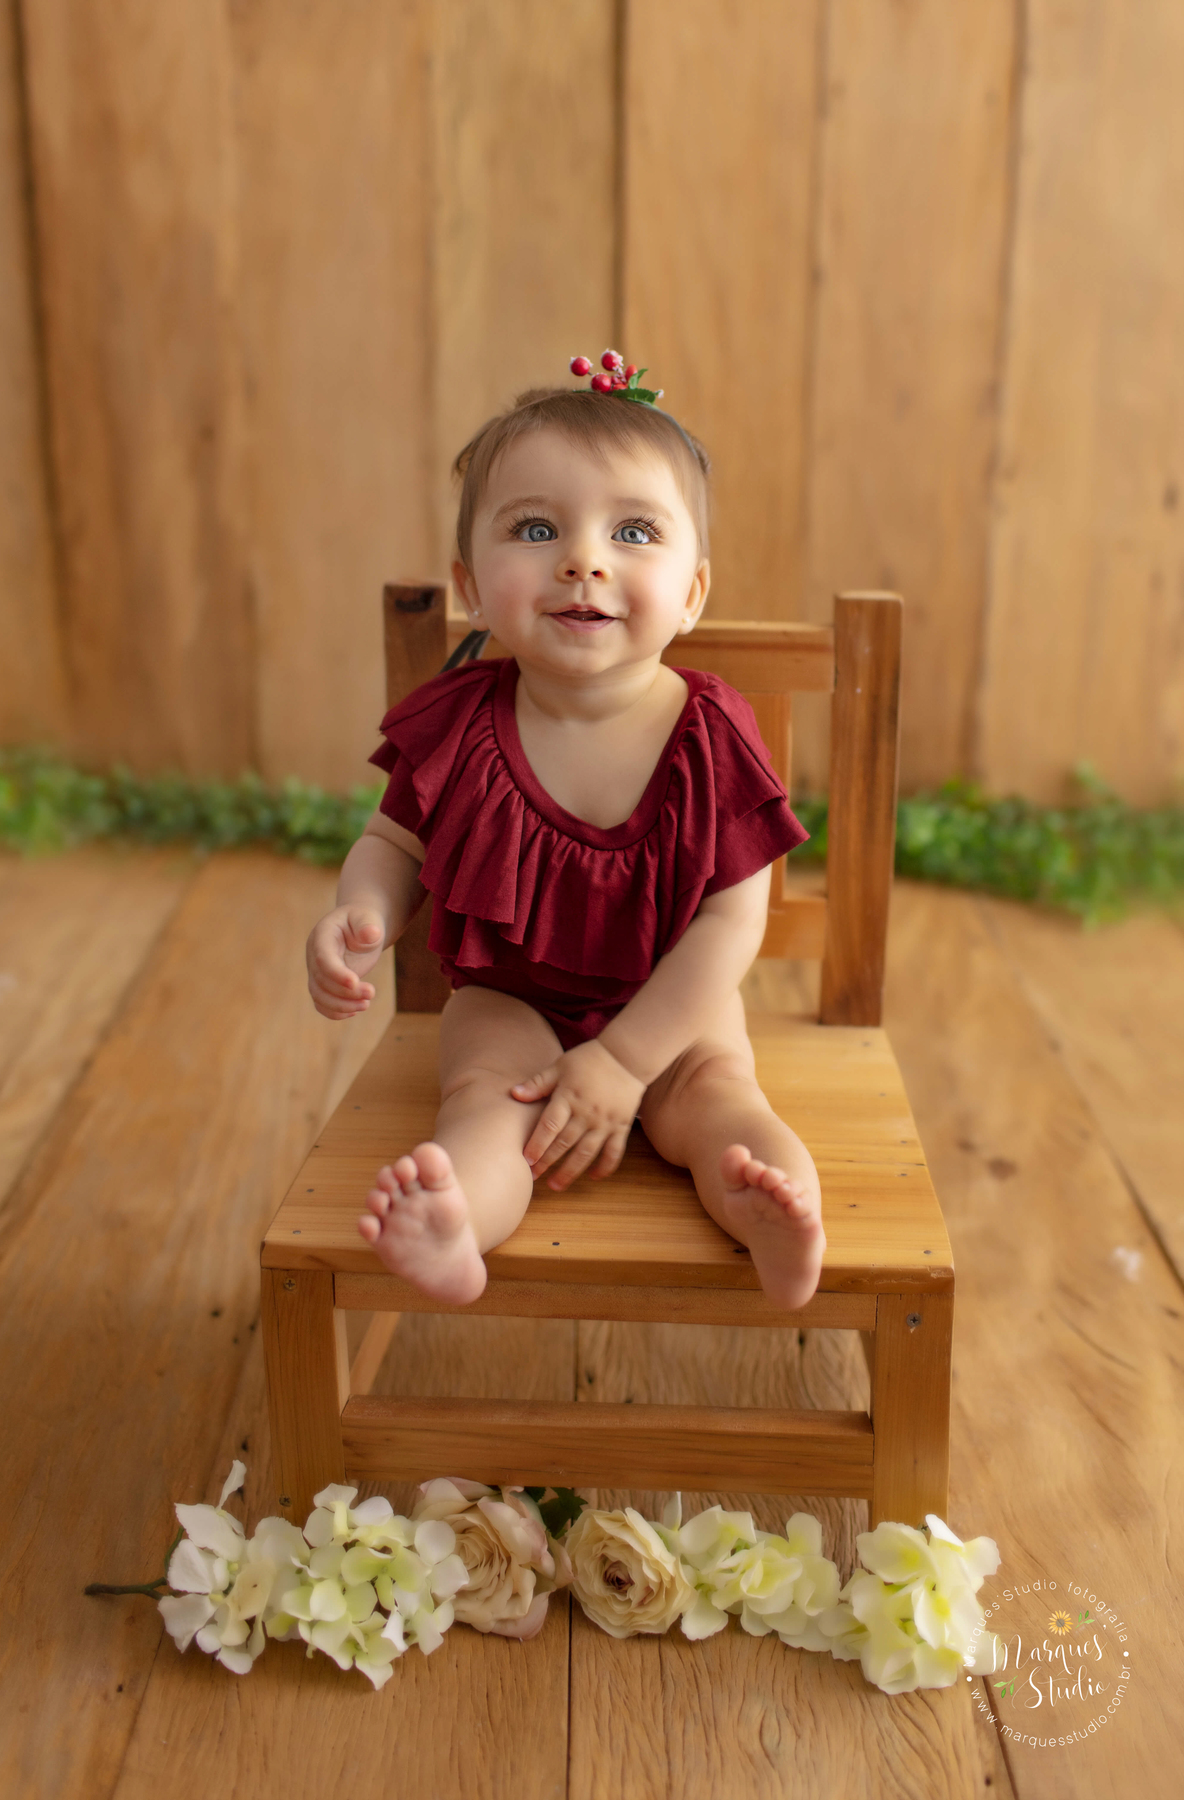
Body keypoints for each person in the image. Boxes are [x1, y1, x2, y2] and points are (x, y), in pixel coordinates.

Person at [305, 363, 825, 1312]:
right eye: (536, 529)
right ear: (469, 584)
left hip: (673, 1014)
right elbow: (393, 843)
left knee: (722, 1107)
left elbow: (730, 925)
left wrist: (626, 1063)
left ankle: (774, 1214)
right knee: (481, 1105)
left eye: (633, 532)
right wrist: (361, 912)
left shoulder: (709, 732)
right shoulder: (458, 722)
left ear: (694, 591)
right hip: (512, 1003)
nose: (583, 560)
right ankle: (456, 1222)